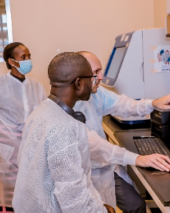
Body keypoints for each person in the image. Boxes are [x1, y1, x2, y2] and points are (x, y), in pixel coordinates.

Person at [74, 51, 170, 213]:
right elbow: (93, 145)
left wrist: (153, 103)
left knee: (136, 205)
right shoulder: (67, 106)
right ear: (80, 75)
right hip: (83, 175)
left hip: (104, 167)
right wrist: (138, 159)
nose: (101, 77)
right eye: (96, 72)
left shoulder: (95, 94)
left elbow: (124, 105)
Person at [13, 52, 115, 213]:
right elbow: (74, 201)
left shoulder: (42, 110)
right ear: (79, 83)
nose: (94, 81)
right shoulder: (63, 128)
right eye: (92, 77)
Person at [0, 42, 47, 212]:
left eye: (29, 56)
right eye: (23, 57)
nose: (28, 60)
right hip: (7, 149)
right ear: (11, 62)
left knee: (30, 194)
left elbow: (45, 113)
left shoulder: (36, 86)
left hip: (32, 148)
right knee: (6, 198)